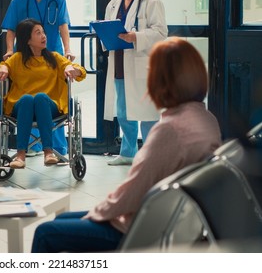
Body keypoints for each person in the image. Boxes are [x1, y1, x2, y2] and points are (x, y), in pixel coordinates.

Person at [31, 37, 222, 252]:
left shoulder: (170, 129)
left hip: (139, 231)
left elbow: (132, 192)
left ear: (162, 80)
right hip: (172, 222)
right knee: (64, 219)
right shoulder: (206, 119)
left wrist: (97, 212)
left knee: (46, 232)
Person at [0, 19, 86, 169]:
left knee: (40, 97)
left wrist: (72, 69)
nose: (44, 36)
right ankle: (20, 155)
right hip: (21, 107)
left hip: (49, 106)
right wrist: (1, 69)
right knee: (27, 99)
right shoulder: (16, 59)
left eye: (43, 32)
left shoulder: (54, 58)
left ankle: (48, 152)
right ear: (27, 39)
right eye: (38, 33)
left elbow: (80, 72)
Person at [2, 0, 74, 158]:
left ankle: (56, 148)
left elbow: (63, 26)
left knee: (50, 96)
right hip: (26, 56)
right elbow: (11, 29)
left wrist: (68, 49)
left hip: (51, 53)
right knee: (28, 94)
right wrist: (9, 51)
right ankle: (32, 146)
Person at [104, 0, 168, 165]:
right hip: (120, 64)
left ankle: (151, 154)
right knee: (124, 112)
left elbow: (161, 32)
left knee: (148, 113)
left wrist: (136, 37)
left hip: (143, 65)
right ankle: (128, 153)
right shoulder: (114, 3)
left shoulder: (152, 0)